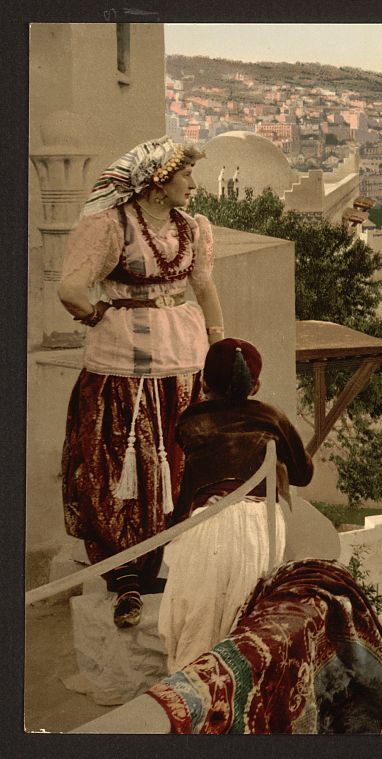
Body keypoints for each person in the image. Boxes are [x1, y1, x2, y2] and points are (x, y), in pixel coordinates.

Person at [58, 137, 225, 628]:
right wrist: (97, 314)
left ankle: (173, 557)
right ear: (157, 181)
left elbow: (205, 287)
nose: (194, 185)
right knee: (123, 460)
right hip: (124, 365)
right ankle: (127, 572)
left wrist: (218, 345)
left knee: (176, 458)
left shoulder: (191, 229)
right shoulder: (111, 226)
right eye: (185, 175)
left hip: (184, 359)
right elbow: (71, 287)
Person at [159, 338, 314, 672]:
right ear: (255, 384)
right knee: (244, 630)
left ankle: (188, 708)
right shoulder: (271, 417)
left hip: (205, 524)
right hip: (260, 526)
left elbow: (189, 477)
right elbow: (304, 475)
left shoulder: (189, 421)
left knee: (195, 632)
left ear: (203, 383)